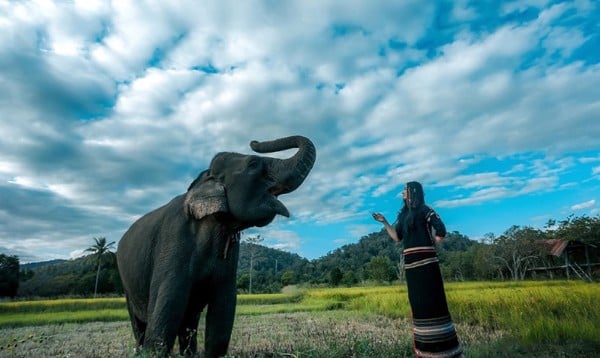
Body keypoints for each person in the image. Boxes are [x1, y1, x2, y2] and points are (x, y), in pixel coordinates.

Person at [372, 181, 462, 358]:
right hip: (412, 269)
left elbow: (441, 229)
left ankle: (444, 351)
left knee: (433, 304)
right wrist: (385, 222)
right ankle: (425, 351)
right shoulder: (405, 215)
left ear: (413, 192)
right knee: (419, 306)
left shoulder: (425, 210)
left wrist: (432, 246)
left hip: (428, 267)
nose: (402, 193)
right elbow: (397, 238)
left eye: (405, 190)